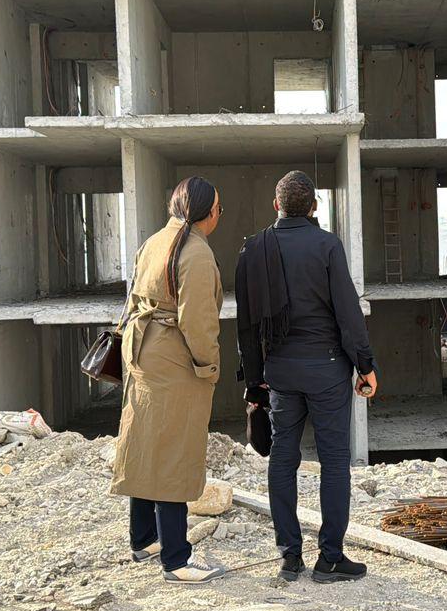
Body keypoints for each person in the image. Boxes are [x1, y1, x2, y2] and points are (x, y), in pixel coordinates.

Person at [236, 170, 378, 584]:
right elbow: (348, 313)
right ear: (314, 207)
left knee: (283, 458)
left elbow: (246, 325)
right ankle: (330, 558)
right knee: (333, 461)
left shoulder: (253, 249)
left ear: (276, 205)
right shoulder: (327, 245)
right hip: (327, 370)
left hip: (280, 372)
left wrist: (254, 380)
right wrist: (365, 366)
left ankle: (290, 557)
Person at [110, 176, 227, 584]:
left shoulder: (155, 240)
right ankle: (177, 559)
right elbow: (198, 322)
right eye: (219, 208)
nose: (219, 214)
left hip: (142, 351)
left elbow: (133, 299)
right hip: (173, 359)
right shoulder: (195, 252)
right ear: (207, 213)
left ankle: (144, 539)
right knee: (174, 452)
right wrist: (209, 366)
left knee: (146, 444)